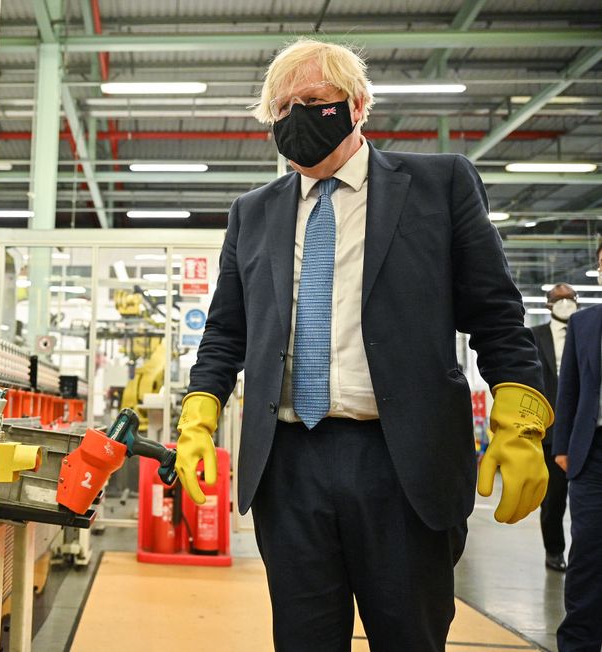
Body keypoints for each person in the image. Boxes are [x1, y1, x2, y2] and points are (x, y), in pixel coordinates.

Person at [174, 38, 552, 651]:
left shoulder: (440, 185)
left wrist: (523, 418)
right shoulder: (252, 213)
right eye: (282, 107)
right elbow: (226, 332)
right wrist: (199, 412)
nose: (296, 116)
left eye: (314, 100)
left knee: (409, 637)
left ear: (358, 104)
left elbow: (497, 315)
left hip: (402, 464)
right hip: (288, 466)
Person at [553, 244, 602, 652]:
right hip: (592, 454)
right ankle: (579, 641)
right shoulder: (585, 324)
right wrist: (563, 446)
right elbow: (568, 389)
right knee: (587, 550)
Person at [532, 283, 577, 572]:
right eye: (559, 299)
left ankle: (586, 555)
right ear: (548, 305)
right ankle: (554, 551)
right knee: (553, 501)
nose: (565, 302)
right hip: (550, 431)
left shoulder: (589, 330)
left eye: (570, 298)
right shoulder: (535, 336)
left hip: (585, 428)